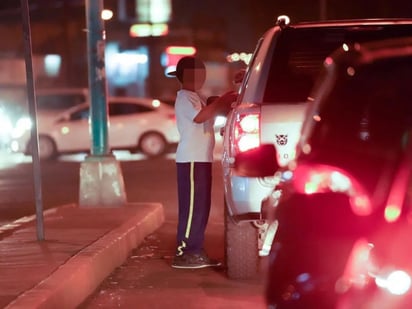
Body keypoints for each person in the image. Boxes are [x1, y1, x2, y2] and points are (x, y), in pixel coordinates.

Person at [168, 56, 237, 269]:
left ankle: (196, 249)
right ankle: (185, 252)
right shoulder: (185, 98)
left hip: (201, 159)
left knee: (201, 207)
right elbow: (199, 118)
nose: (202, 77)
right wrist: (221, 100)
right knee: (192, 208)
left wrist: (220, 103)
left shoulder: (196, 97)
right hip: (190, 160)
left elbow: (207, 118)